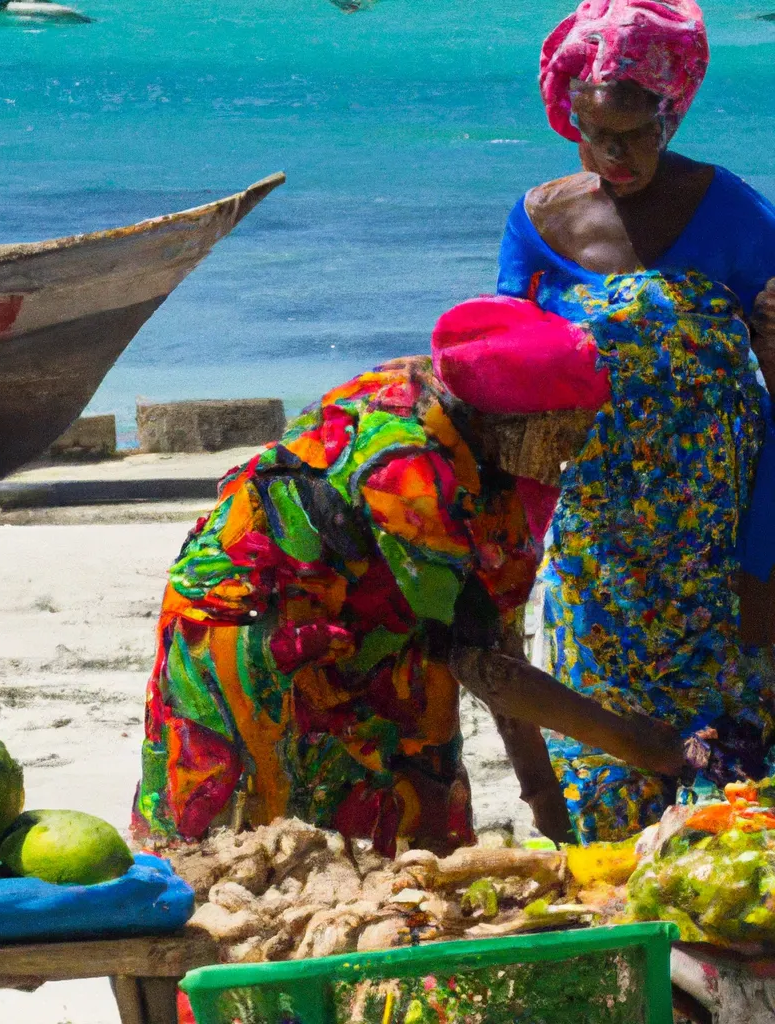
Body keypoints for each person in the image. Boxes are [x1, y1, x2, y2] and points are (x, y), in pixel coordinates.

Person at [132, 290, 756, 855]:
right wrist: (648, 747)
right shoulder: (407, 469)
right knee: (243, 849)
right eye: (563, 432)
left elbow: (492, 640)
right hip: (255, 627)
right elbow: (486, 666)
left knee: (412, 837)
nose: (574, 451)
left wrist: (546, 804)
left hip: (377, 624)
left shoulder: (461, 406)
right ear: (511, 422)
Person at [497, 0, 775, 844]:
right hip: (599, 535)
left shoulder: (730, 209)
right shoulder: (539, 218)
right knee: (608, 728)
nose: (613, 157)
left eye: (634, 133)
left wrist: (764, 554)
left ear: (672, 109)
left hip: (718, 533)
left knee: (731, 739)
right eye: (592, 134)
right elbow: (505, 368)